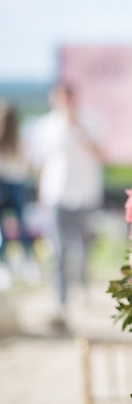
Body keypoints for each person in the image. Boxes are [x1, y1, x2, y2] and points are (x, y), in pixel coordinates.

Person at [32, 82, 105, 329]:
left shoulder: (89, 121)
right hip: (56, 196)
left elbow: (100, 153)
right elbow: (39, 161)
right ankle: (61, 302)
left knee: (83, 247)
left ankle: (82, 286)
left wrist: (78, 130)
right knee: (59, 250)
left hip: (85, 196)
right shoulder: (45, 126)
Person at [0, 100, 38, 288]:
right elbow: (26, 164)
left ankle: (7, 263)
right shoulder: (19, 138)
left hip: (5, 183)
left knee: (6, 226)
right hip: (16, 183)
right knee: (21, 223)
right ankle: (26, 259)